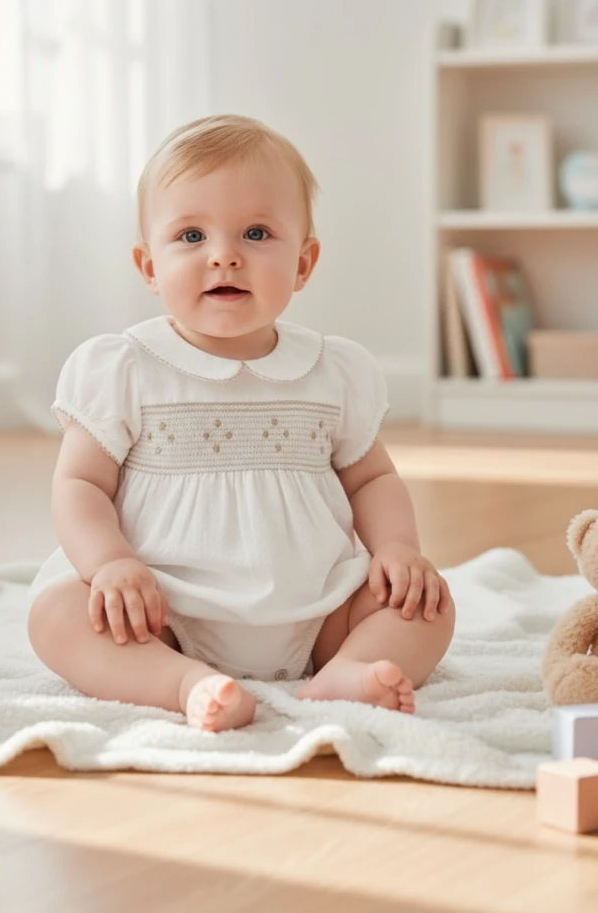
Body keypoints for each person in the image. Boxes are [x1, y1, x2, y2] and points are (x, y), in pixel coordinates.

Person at [27, 114, 456, 733]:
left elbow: (372, 479)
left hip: (318, 609)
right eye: (191, 236)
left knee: (428, 607)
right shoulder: (125, 368)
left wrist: (397, 550)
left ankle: (348, 671)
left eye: (256, 233)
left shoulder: (332, 370)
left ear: (304, 263)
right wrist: (110, 564)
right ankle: (183, 682)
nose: (224, 255)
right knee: (58, 616)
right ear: (148, 267)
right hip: (162, 611)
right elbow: (79, 485)